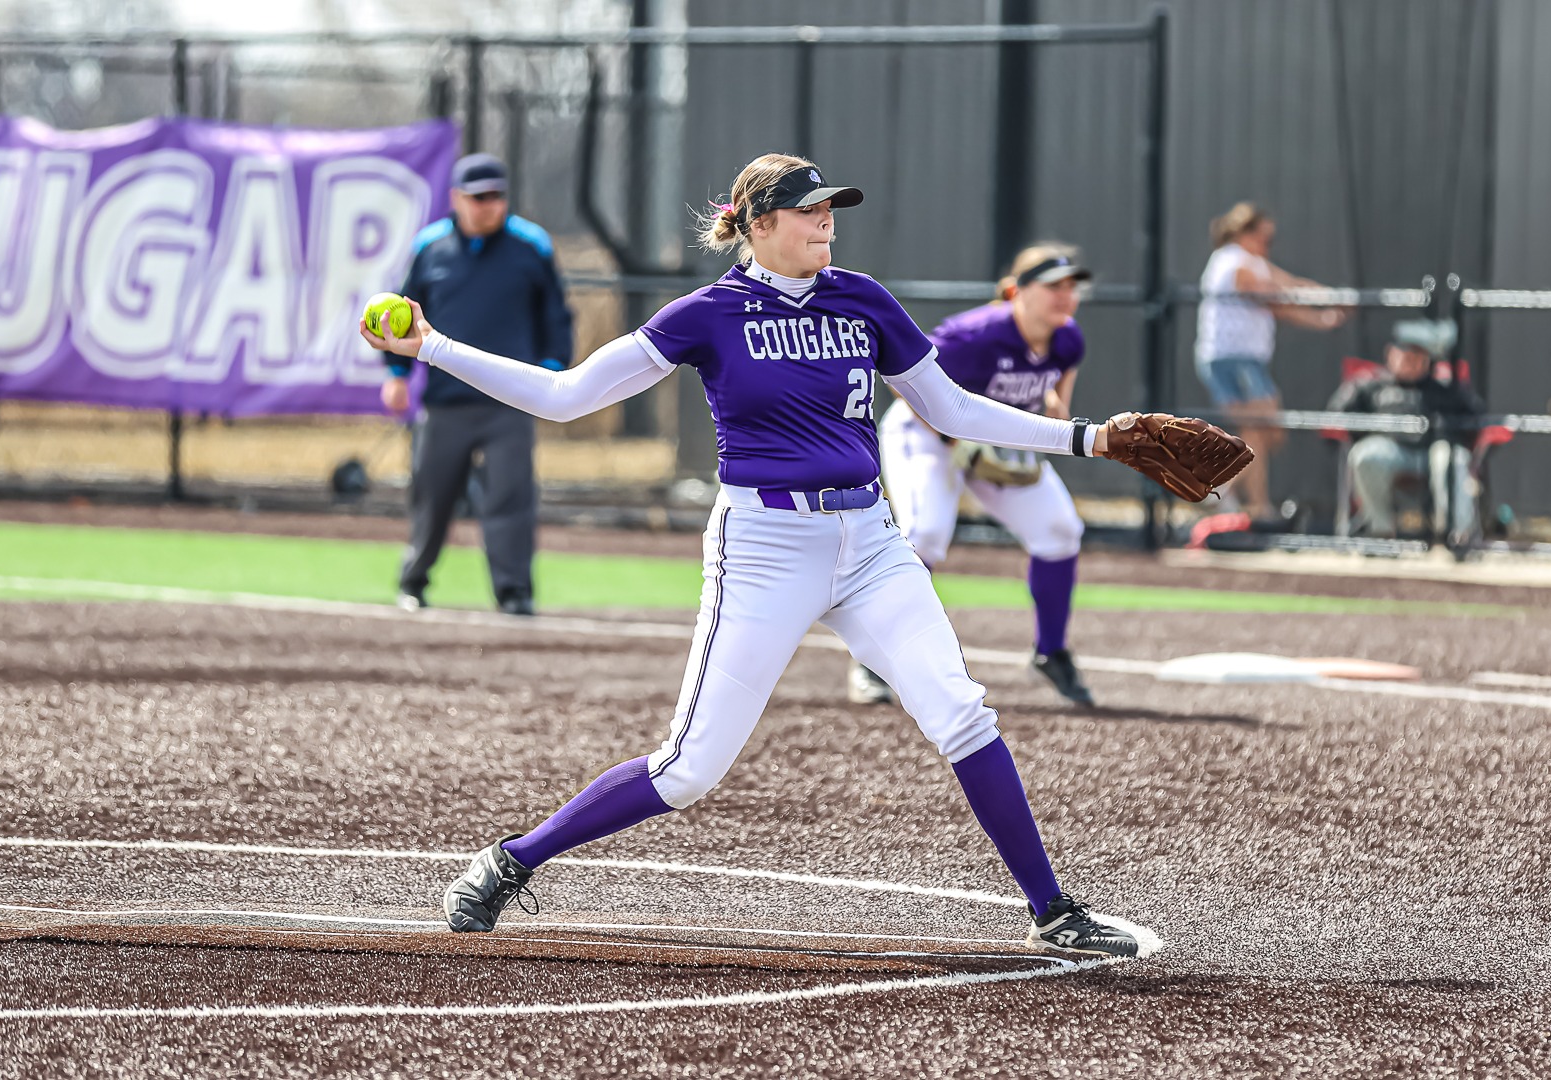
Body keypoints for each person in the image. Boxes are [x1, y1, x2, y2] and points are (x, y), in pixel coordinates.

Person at [361, 153, 1189, 958]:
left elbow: (952, 409)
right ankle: (513, 859)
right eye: (809, 209)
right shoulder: (707, 314)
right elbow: (564, 396)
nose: (828, 220)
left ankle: (1053, 909)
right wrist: (432, 346)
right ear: (758, 224)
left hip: (869, 540)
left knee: (961, 711)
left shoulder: (861, 300)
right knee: (687, 771)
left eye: (833, 208)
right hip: (763, 546)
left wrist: (1087, 437)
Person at [850, 243, 1096, 708]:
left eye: (1071, 287)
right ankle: (873, 657)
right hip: (924, 432)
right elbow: (909, 389)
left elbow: (1059, 391)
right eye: (1052, 286)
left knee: (1060, 530)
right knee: (925, 534)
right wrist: (958, 446)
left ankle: (1051, 651)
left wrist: (1052, 413)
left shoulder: (1067, 338)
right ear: (1014, 292)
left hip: (994, 440)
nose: (1065, 296)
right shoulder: (975, 336)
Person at [381, 153, 573, 616]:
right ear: (456, 199)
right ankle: (414, 581)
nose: (489, 205)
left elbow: (556, 318)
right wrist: (396, 375)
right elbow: (404, 317)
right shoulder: (430, 247)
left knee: (511, 497)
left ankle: (513, 591)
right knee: (432, 493)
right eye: (479, 197)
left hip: (510, 401)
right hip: (445, 402)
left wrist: (548, 375)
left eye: (497, 196)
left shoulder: (531, 245)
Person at [1194, 202, 1347, 518]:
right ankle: (1222, 489)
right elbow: (1276, 298)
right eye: (1264, 237)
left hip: (1245, 360)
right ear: (1243, 233)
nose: (1267, 245)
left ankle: (1254, 506)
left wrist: (1334, 297)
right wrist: (1321, 319)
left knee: (1261, 432)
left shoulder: (1254, 261)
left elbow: (1291, 284)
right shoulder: (1232, 261)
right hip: (1231, 360)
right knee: (1266, 426)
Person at [1326, 319, 1483, 543]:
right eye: (1407, 355)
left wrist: (1447, 432)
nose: (1413, 363)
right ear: (1390, 353)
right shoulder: (1371, 385)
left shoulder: (1444, 389)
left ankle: (1457, 535)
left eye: (1420, 357)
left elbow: (1476, 418)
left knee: (1451, 458)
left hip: (1433, 451)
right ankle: (1379, 530)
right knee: (1365, 455)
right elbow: (1336, 414)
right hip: (1391, 451)